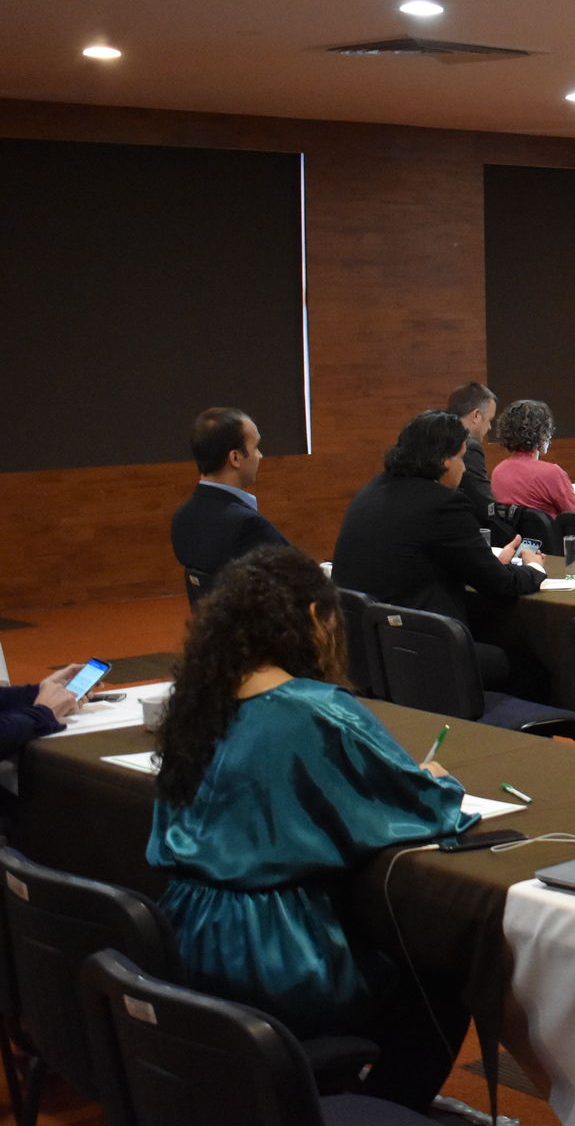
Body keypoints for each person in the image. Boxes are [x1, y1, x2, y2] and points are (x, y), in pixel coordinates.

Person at [148, 545, 474, 1111]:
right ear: (312, 621)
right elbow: (426, 807)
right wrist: (435, 780)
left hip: (185, 934)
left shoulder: (198, 704)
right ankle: (387, 1108)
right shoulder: (315, 710)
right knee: (444, 967)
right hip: (276, 954)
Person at [331, 410, 546, 686]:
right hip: (420, 651)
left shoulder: (371, 491)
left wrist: (489, 562)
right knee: (532, 667)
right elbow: (501, 586)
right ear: (444, 460)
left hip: (364, 649)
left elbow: (418, 558)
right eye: (461, 457)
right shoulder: (442, 504)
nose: (465, 468)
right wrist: (533, 568)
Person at [170, 407, 291, 582]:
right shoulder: (247, 525)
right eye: (256, 447)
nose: (260, 456)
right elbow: (301, 582)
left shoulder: (182, 517)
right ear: (235, 458)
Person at [490, 398, 575, 518]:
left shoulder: (498, 471)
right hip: (555, 537)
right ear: (542, 433)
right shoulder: (551, 473)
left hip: (518, 537)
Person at [447, 381, 498, 523]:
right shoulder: (469, 447)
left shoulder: (433, 437)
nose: (488, 427)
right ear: (476, 415)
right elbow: (484, 505)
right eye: (489, 420)